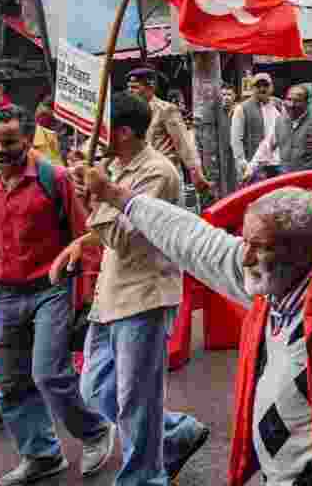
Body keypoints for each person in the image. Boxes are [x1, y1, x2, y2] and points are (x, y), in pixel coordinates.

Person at [69, 175, 312, 486]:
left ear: (300, 252)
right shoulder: (269, 288)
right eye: (245, 242)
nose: (244, 256)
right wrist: (117, 197)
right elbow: (192, 239)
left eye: (258, 246)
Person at [49, 93, 209, 486]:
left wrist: (97, 194)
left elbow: (122, 237)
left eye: (98, 128)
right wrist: (82, 232)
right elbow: (100, 234)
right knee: (95, 388)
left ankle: (143, 477)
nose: (89, 135)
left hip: (145, 294)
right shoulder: (110, 166)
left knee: (136, 399)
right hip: (109, 296)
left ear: (121, 132)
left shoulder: (158, 172)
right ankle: (174, 433)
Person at [0, 105, 115, 486]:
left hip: (51, 290)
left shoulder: (52, 179)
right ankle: (41, 455)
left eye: (9, 141)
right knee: (9, 384)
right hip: (2, 296)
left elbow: (84, 236)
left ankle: (94, 432)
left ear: (27, 140)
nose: (0, 149)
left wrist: (88, 291)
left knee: (50, 374)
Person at [128, 68, 212, 194]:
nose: (130, 91)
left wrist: (196, 173)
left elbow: (184, 144)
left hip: (166, 173)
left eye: (135, 87)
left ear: (150, 87)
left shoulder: (166, 110)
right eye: (129, 87)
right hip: (142, 174)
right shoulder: (131, 113)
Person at [248, 85, 312, 178]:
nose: (292, 105)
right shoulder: (279, 122)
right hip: (288, 181)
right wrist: (251, 168)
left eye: (297, 101)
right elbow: (266, 146)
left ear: (307, 103)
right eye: (289, 100)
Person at [232, 73, 283, 182]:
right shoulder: (242, 108)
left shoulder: (279, 104)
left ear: (271, 87)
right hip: (255, 164)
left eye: (265, 85)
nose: (262, 89)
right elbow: (236, 139)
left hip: (279, 162)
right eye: (258, 86)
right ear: (252, 88)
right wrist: (242, 161)